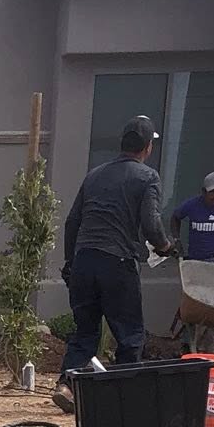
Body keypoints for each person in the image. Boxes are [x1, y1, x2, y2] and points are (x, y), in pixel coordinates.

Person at [53, 114, 176, 410]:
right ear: (147, 148)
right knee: (129, 334)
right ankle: (124, 396)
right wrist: (165, 245)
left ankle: (67, 387)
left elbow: (72, 222)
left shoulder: (94, 175)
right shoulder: (147, 177)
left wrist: (71, 262)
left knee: (85, 331)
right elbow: (151, 223)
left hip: (84, 260)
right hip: (117, 262)